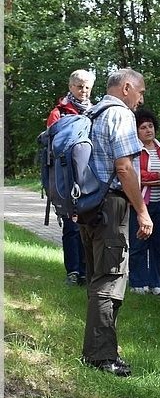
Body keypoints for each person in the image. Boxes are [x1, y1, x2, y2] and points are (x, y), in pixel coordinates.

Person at [79, 68, 152, 377]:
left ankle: (101, 348)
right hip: (111, 206)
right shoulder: (120, 115)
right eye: (140, 92)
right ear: (126, 88)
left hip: (90, 206)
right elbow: (124, 167)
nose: (141, 99)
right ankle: (101, 357)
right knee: (109, 281)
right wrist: (142, 210)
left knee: (98, 278)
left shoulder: (91, 113)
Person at [47, 68, 96, 287]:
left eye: (87, 87)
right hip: (65, 176)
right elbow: (52, 145)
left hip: (89, 176)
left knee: (88, 224)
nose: (83, 90)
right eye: (79, 86)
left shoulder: (95, 111)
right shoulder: (59, 112)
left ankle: (87, 271)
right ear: (70, 87)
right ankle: (73, 271)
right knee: (71, 225)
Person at [128, 108, 160, 295]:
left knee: (159, 244)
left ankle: (156, 283)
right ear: (136, 131)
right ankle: (138, 282)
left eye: (150, 126)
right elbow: (137, 175)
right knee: (139, 242)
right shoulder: (134, 150)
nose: (148, 130)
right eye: (143, 127)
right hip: (141, 204)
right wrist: (159, 176)